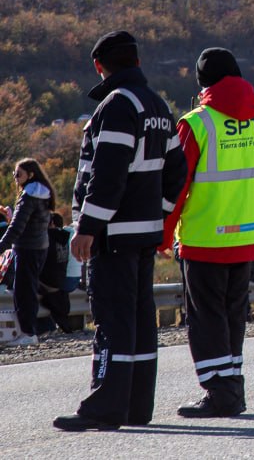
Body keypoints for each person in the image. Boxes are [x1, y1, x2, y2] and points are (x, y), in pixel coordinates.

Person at [55, 31, 187, 432]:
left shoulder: (116, 105)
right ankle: (135, 405)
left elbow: (107, 174)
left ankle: (105, 406)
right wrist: (158, 215)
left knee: (113, 319)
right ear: (137, 62)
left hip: (113, 236)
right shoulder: (158, 105)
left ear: (99, 66)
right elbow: (177, 172)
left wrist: (88, 227)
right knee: (140, 319)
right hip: (144, 234)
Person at [163, 47, 254, 419]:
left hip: (204, 239)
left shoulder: (197, 123)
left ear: (202, 83)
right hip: (245, 238)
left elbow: (176, 188)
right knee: (232, 317)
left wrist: (164, 234)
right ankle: (232, 388)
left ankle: (220, 392)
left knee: (207, 319)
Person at [0, 158, 54, 346]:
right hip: (40, 247)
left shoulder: (28, 196)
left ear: (30, 175)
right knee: (28, 290)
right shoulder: (43, 194)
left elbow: (17, 227)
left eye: (18, 174)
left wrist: (1, 246)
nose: (15, 178)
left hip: (27, 249)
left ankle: (28, 333)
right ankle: (28, 331)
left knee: (23, 292)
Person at [37, 212, 75, 335]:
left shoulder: (47, 237)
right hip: (59, 281)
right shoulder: (64, 236)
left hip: (48, 282)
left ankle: (40, 327)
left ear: (51, 223)